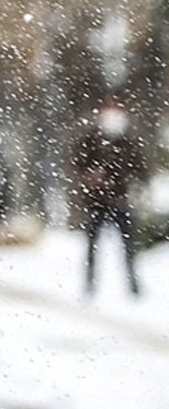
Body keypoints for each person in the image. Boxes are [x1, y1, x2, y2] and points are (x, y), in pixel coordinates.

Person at [73, 97, 144, 297]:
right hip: (95, 202)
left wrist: (133, 186)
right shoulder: (90, 138)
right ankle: (90, 283)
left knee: (128, 246)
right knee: (92, 246)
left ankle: (133, 285)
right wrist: (90, 176)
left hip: (121, 201)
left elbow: (139, 168)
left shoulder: (128, 140)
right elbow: (77, 162)